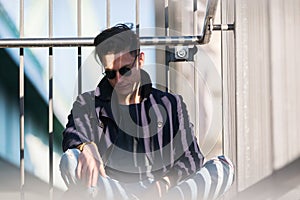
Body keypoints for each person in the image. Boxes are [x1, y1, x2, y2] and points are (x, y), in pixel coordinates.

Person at [59, 23, 234, 200]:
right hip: (114, 189)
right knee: (71, 160)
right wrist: (86, 147)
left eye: (125, 70)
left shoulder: (169, 104)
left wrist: (164, 184)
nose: (118, 79)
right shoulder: (88, 103)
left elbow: (191, 157)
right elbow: (73, 134)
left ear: (140, 60)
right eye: (110, 73)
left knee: (223, 168)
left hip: (162, 192)